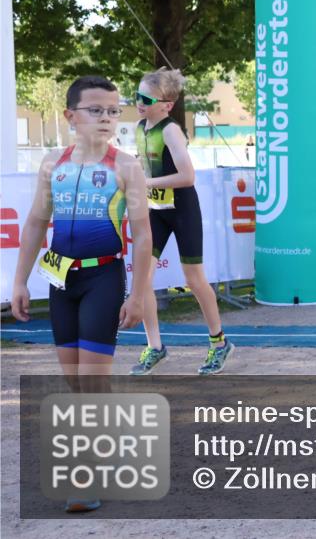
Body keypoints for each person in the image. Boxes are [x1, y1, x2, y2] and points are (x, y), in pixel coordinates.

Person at [10, 75, 153, 513]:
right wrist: (19, 280)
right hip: (60, 281)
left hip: (103, 280)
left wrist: (140, 294)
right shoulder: (53, 163)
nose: (107, 118)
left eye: (113, 110)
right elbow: (35, 222)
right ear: (71, 116)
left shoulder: (126, 166)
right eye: (96, 110)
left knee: (91, 381)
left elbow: (144, 235)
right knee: (76, 381)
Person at [130, 68, 234, 375]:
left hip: (182, 209)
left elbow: (188, 177)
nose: (139, 102)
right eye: (136, 95)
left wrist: (143, 183)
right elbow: (141, 164)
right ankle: (154, 346)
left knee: (194, 279)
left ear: (167, 104)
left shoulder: (171, 130)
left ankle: (219, 342)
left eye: (145, 98)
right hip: (155, 210)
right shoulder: (139, 127)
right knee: (142, 278)